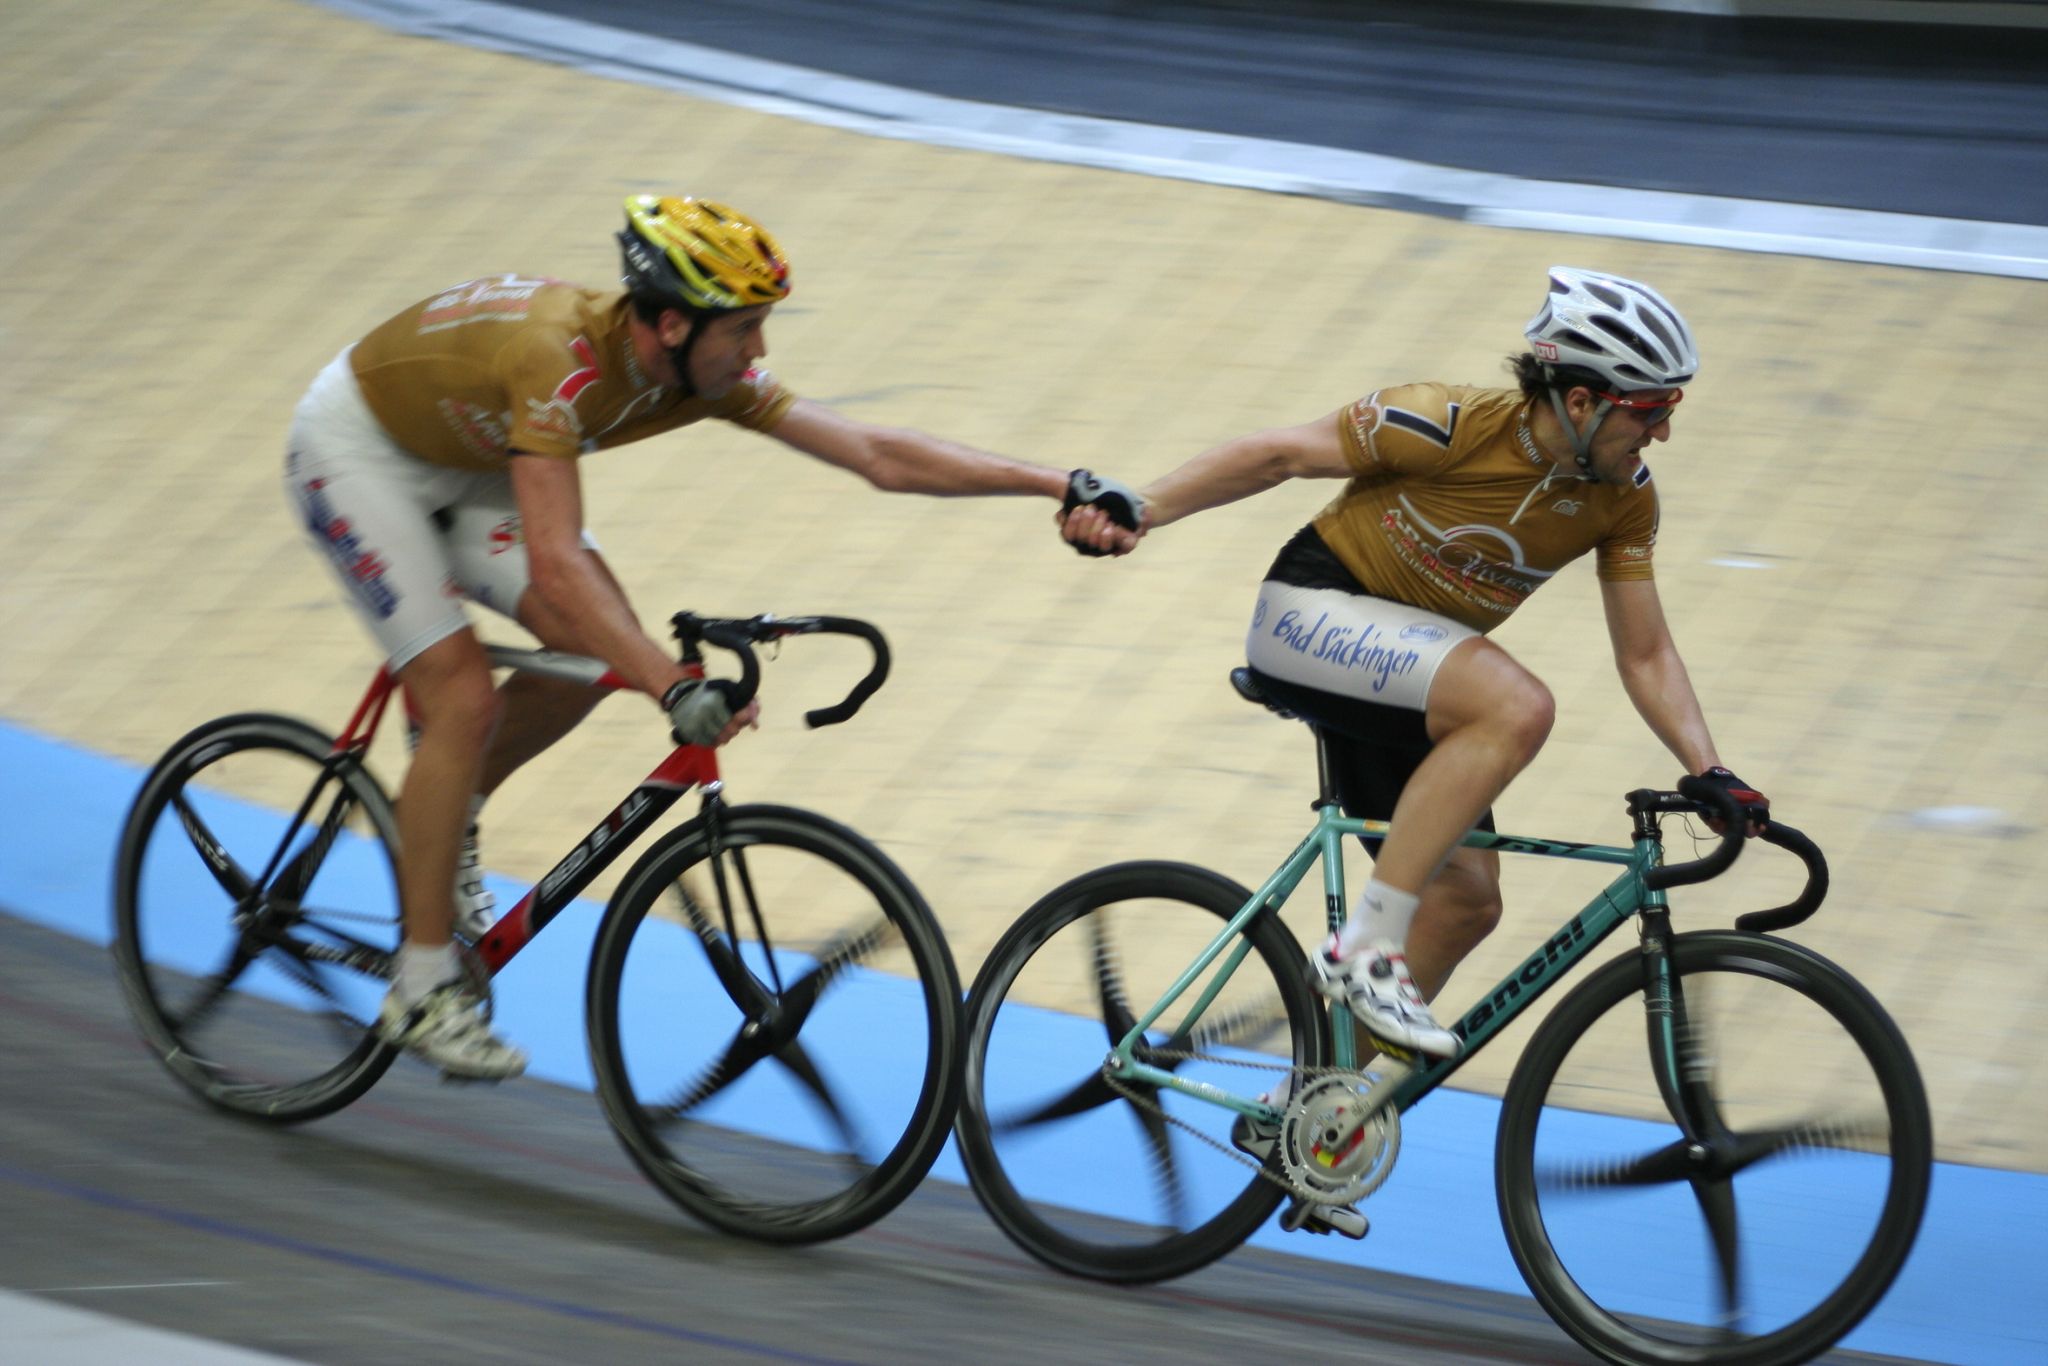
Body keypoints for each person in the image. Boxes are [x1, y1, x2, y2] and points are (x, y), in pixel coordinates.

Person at [286, 194, 1141, 1080]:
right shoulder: (559, 363)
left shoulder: (699, 370)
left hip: (467, 459)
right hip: (360, 455)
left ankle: (448, 810)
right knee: (461, 699)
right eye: (744, 329)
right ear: (668, 326)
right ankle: (419, 989)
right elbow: (554, 565)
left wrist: (1054, 482)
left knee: (587, 661)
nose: (759, 350)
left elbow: (874, 453)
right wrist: (666, 684)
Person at [1061, 265, 1765, 1070]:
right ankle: (1365, 948)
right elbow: (1278, 455)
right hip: (1312, 615)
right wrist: (1144, 506)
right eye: (1650, 413)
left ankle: (1309, 1120)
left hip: (1417, 682)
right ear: (1581, 401)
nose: (1662, 435)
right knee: (1518, 707)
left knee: (1467, 903)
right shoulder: (1442, 420)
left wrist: (1709, 768)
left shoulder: (1623, 499)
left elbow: (1645, 652)